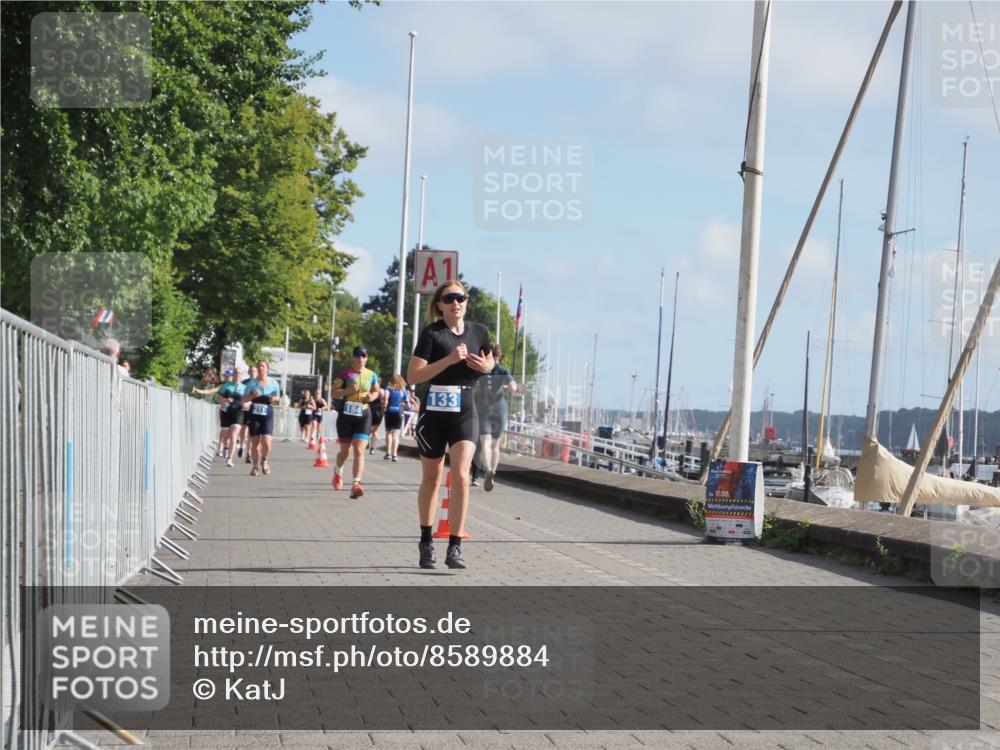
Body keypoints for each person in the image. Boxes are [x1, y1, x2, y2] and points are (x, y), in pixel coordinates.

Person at [407, 280, 493, 570]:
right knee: (431, 480)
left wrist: (487, 367)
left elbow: (490, 358)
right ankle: (426, 540)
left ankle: (455, 546)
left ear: (466, 302)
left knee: (460, 475)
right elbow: (414, 376)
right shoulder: (433, 333)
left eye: (461, 297)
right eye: (450, 298)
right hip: (434, 411)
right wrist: (447, 360)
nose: (456, 302)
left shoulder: (478, 331)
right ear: (440, 305)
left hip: (465, 410)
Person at [331, 346, 380, 499]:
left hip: (363, 414)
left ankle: (355, 484)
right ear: (353, 357)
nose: (360, 358)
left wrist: (371, 398)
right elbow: (333, 392)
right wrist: (348, 390)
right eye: (357, 355)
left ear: (367, 358)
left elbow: (376, 391)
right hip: (346, 415)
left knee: (359, 450)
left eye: (363, 355)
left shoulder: (371, 374)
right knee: (345, 452)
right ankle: (338, 471)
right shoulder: (344, 373)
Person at [474, 343, 517, 492]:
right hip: (500, 408)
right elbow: (513, 388)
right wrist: (506, 386)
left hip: (483, 407)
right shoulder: (503, 370)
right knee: (495, 445)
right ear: (499, 355)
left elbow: (474, 387)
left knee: (484, 443)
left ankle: (487, 469)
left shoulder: (480, 370)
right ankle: (493, 472)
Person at [244, 360, 282, 476]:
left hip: (267, 413)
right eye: (259, 366)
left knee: (267, 442)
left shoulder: (273, 382)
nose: (261, 368)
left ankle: (264, 460)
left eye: (263, 366)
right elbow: (243, 399)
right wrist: (251, 395)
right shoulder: (251, 383)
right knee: (255, 444)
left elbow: (278, 396)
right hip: (254, 413)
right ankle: (255, 467)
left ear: (267, 369)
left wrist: (274, 399)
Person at [382, 374, 408, 461]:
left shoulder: (388, 389)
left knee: (388, 433)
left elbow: (385, 398)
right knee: (396, 434)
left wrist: (384, 408)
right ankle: (395, 454)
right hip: (399, 412)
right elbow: (407, 403)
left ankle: (388, 453)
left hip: (389, 411)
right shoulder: (403, 391)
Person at [238, 365, 259, 463]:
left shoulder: (259, 383)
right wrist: (243, 402)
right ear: (248, 372)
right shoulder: (244, 383)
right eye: (251, 371)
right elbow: (240, 395)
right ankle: (241, 446)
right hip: (244, 409)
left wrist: (251, 402)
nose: (252, 373)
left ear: (257, 372)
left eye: (254, 371)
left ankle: (248, 454)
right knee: (243, 429)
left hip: (254, 409)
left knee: (251, 432)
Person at [368, 380, 385, 455]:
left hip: (370, 410)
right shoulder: (381, 390)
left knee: (368, 429)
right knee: (375, 431)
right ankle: (372, 448)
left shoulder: (370, 390)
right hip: (378, 411)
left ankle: (367, 443)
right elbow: (385, 401)